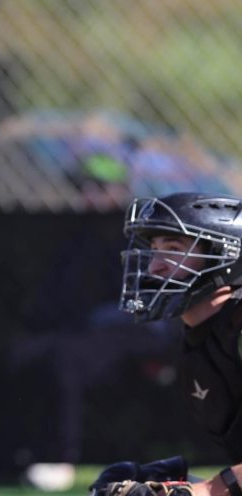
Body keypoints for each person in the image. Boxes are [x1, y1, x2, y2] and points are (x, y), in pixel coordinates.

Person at [91, 192, 242, 496]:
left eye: (173, 250)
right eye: (154, 251)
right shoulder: (203, 334)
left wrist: (203, 491)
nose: (153, 268)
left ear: (226, 256)